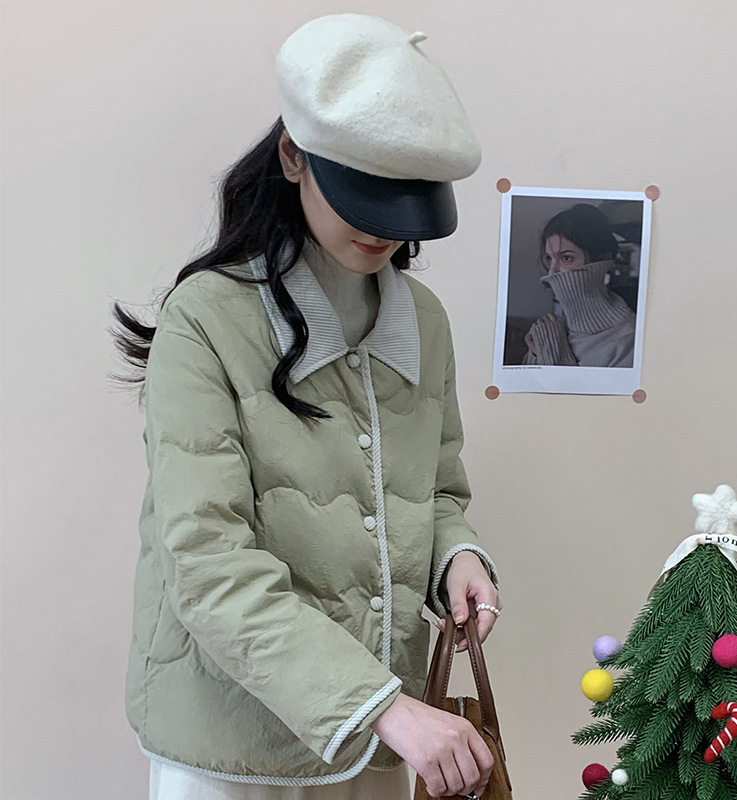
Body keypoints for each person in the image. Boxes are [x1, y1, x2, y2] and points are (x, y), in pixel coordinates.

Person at [112, 13, 502, 800]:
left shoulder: (423, 323)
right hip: (232, 748)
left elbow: (436, 491)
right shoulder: (207, 319)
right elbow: (207, 561)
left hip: (378, 741)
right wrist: (383, 708)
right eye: (366, 191)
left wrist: (457, 558)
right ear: (293, 155)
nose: (383, 228)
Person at [523, 203, 636, 367]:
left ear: (602, 260)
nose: (552, 273)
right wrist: (536, 354)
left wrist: (554, 356)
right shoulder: (551, 330)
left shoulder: (629, 340)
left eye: (566, 258)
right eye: (549, 259)